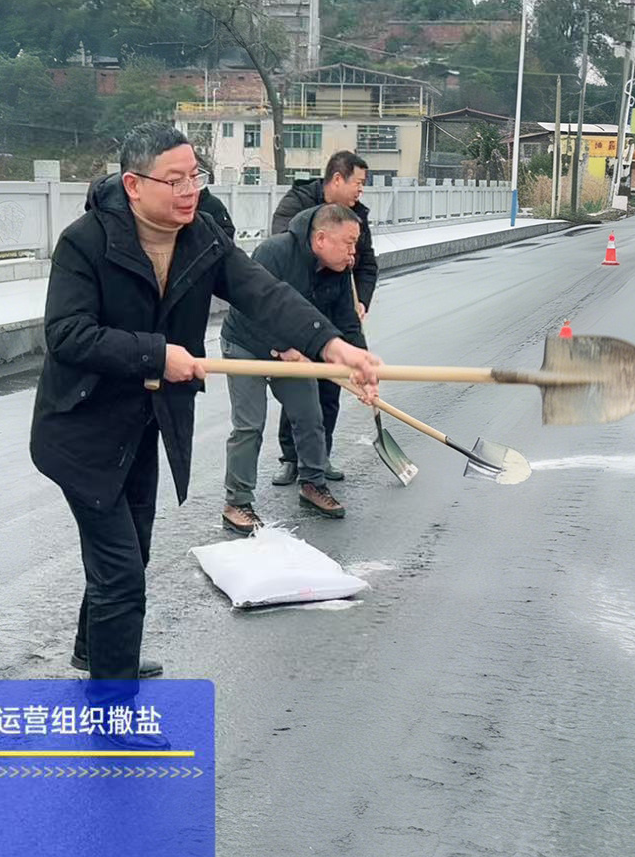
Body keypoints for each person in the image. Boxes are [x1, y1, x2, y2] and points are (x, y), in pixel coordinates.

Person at [29, 122, 380, 748]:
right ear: (134, 186)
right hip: (81, 429)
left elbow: (262, 292)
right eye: (175, 180)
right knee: (121, 571)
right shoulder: (84, 243)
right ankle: (110, 716)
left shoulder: (200, 239)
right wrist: (156, 354)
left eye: (196, 176)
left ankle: (96, 650)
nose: (190, 190)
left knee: (129, 549)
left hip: (143, 423)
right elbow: (67, 336)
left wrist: (331, 345)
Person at [219, 204, 365, 530]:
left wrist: (361, 367)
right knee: (249, 425)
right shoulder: (275, 251)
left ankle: (313, 483)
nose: (353, 252)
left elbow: (346, 324)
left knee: (309, 415)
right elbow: (249, 305)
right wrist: (284, 347)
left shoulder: (340, 269)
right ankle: (237, 503)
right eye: (349, 242)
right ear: (322, 238)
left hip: (295, 351)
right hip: (246, 345)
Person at [269, 151, 378, 486]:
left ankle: (320, 456)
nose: (361, 190)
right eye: (358, 183)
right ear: (337, 179)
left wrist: (360, 301)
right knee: (300, 385)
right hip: (298, 306)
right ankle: (291, 457)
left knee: (332, 386)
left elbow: (366, 263)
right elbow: (285, 256)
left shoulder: (356, 216)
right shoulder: (296, 204)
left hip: (336, 302)